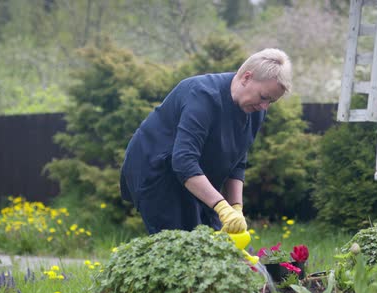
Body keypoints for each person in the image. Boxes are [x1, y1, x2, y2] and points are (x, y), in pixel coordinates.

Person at [120, 48, 292, 235]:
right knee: (181, 245)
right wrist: (221, 207)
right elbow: (183, 160)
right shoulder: (203, 95)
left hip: (192, 173)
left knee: (216, 241)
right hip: (156, 169)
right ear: (246, 77)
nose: (264, 106)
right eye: (264, 97)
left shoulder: (255, 110)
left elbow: (237, 161)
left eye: (271, 102)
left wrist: (235, 208)